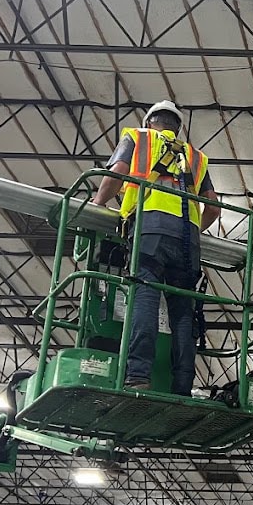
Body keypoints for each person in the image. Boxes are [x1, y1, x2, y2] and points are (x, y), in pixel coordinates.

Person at [91, 101, 220, 394]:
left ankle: (138, 376)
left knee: (145, 298)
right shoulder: (196, 157)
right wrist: (193, 232)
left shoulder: (138, 137)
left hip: (150, 228)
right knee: (183, 311)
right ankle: (183, 385)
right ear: (178, 128)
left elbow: (117, 174)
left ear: (150, 122)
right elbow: (214, 209)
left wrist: (98, 204)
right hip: (188, 238)